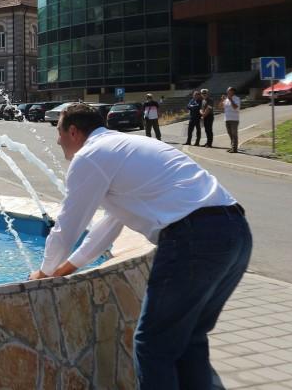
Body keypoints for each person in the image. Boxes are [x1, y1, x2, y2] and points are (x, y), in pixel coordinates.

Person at [30, 104, 251, 390]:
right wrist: (66, 268)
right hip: (235, 232)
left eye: (58, 131)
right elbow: (109, 225)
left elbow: (67, 226)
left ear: (73, 131)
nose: (57, 139)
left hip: (193, 239)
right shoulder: (125, 146)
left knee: (153, 345)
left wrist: (44, 272)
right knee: (190, 339)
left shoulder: (90, 157)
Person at [221, 87, 241, 153]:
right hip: (227, 119)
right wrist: (222, 100)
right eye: (227, 91)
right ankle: (232, 147)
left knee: (234, 134)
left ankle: (235, 149)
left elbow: (235, 107)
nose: (227, 92)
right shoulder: (226, 99)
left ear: (233, 91)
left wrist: (231, 100)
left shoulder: (237, 98)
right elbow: (220, 107)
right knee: (230, 133)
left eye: (229, 91)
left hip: (234, 119)